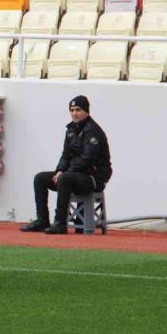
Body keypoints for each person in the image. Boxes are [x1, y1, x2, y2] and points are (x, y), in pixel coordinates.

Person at [20, 95, 112, 235]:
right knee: (40, 178)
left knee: (64, 179)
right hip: (74, 175)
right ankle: (42, 220)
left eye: (78, 110)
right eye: (72, 110)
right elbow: (66, 155)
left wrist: (65, 173)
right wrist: (60, 170)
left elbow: (87, 159)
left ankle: (60, 223)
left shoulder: (93, 131)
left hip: (94, 178)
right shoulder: (70, 130)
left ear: (86, 111)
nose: (74, 113)